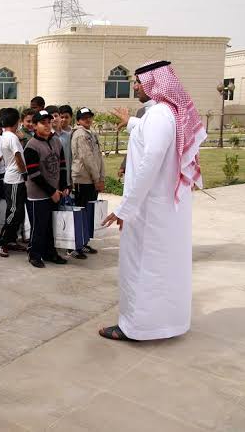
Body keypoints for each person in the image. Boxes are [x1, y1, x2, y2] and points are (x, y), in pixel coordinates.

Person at [100, 60, 206, 342]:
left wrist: (126, 208)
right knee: (163, 266)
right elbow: (150, 134)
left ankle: (136, 328)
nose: (135, 86)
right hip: (164, 208)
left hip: (150, 210)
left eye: (138, 81)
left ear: (153, 83)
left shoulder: (160, 115)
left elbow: (151, 160)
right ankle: (168, 323)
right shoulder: (166, 113)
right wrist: (131, 123)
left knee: (142, 266)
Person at [24, 110, 68, 268]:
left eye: (49, 122)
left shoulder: (56, 142)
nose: (47, 125)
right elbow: (34, 174)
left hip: (54, 192)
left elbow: (62, 166)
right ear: (35, 126)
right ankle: (34, 254)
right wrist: (51, 191)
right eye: (43, 123)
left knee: (51, 226)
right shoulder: (31, 146)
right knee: (39, 227)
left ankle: (50, 253)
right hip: (38, 195)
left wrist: (64, 186)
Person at [70, 107, 104, 258]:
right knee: (80, 213)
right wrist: (97, 179)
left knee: (87, 213)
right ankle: (74, 246)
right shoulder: (80, 134)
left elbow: (98, 157)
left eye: (89, 117)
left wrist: (101, 178)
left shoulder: (91, 133)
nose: (88, 120)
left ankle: (83, 242)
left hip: (91, 180)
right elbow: (87, 158)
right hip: (82, 179)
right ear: (78, 120)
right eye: (84, 118)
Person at [0, 108, 28, 257]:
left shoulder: (5, 136)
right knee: (14, 212)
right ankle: (1, 241)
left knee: (17, 212)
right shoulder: (12, 138)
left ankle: (11, 240)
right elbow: (18, 158)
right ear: (17, 122)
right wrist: (25, 174)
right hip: (15, 179)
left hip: (13, 178)